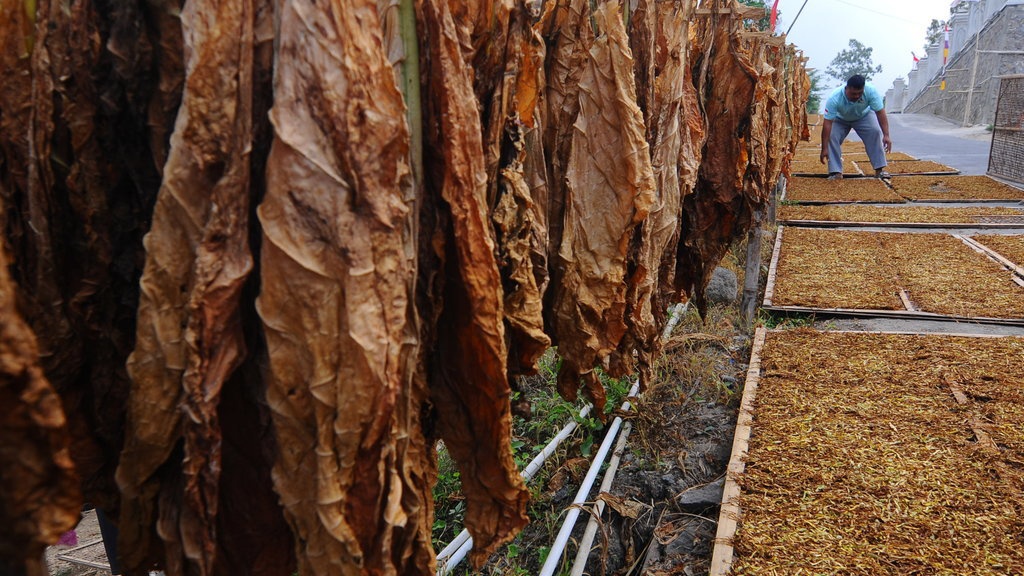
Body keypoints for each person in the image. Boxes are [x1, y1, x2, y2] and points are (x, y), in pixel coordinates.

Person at [820, 74, 892, 180]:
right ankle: (836, 172)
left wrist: (886, 135)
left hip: (863, 115)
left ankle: (879, 170)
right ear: (846, 89)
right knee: (831, 135)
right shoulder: (834, 98)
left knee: (875, 131)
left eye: (860, 93)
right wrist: (824, 148)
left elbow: (880, 112)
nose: (857, 96)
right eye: (853, 93)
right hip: (840, 119)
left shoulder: (871, 91)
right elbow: (827, 123)